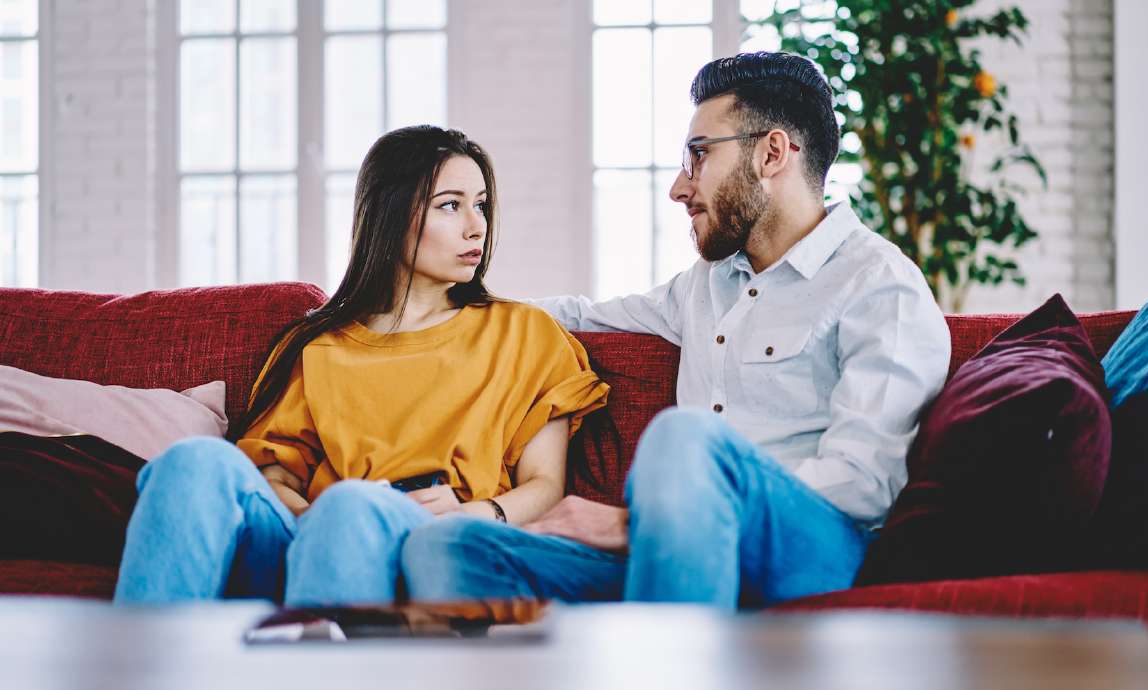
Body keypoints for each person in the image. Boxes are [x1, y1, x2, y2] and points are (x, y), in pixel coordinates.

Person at [402, 52, 951, 609]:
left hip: (813, 551)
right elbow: (577, 315)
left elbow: (862, 485)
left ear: (772, 153)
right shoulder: (707, 285)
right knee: (448, 545)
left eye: (698, 155)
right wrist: (422, 309)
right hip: (671, 547)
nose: (679, 189)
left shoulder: (880, 285)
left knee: (684, 438)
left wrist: (640, 521)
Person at [114, 126, 609, 605]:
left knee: (352, 504)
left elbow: (546, 485)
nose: (476, 225)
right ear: (391, 215)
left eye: (480, 204)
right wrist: (311, 518)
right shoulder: (323, 346)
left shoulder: (525, 333)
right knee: (191, 460)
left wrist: (478, 513)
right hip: (307, 539)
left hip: (421, 537)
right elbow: (277, 475)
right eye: (450, 205)